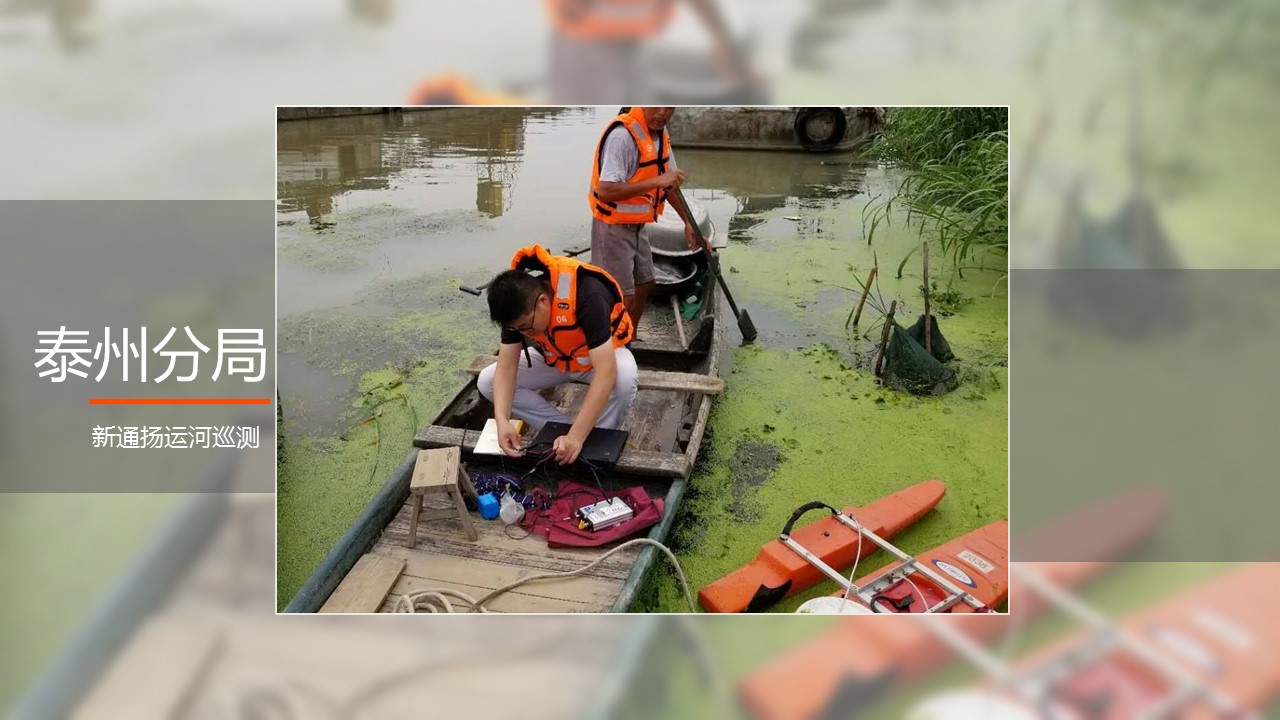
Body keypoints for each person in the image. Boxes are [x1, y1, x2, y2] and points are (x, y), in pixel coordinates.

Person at [478, 244, 638, 465]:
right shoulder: (517, 310)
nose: (525, 333)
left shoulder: (587, 295)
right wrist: (502, 420)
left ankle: (599, 435)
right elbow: (506, 368)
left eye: (526, 327)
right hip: (556, 358)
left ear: (543, 301)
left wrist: (576, 437)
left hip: (597, 359)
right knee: (487, 381)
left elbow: (606, 371)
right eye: (518, 329)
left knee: (625, 378)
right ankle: (563, 430)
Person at [588, 106, 698, 332]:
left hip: (638, 226)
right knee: (620, 297)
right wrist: (657, 181)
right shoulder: (621, 137)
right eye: (656, 105)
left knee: (645, 284)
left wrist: (688, 222)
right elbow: (606, 190)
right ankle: (610, 346)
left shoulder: (661, 136)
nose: (663, 112)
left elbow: (670, 186)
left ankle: (630, 338)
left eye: (669, 107)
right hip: (612, 227)